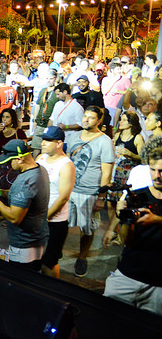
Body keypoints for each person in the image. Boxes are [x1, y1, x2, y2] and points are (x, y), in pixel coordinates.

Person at [103, 147, 162, 317]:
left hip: (158, 285)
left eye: (161, 171)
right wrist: (124, 219)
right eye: (153, 170)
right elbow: (126, 240)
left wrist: (156, 220)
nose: (157, 175)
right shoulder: (136, 197)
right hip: (127, 275)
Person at [0, 139, 50, 271]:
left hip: (24, 247)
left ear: (20, 159)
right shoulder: (40, 170)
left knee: (21, 280)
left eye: (10, 161)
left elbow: (14, 218)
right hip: (38, 238)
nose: (8, 166)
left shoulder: (25, 182)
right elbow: (25, 198)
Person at [66, 106, 115, 277]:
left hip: (89, 193)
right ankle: (56, 250)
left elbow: (107, 172)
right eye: (85, 116)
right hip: (69, 189)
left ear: (99, 121)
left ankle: (82, 257)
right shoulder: (73, 137)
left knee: (87, 228)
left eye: (91, 117)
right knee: (61, 224)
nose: (86, 119)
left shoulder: (104, 141)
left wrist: (101, 197)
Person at [36, 127, 75, 278]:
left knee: (50, 261)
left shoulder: (66, 165)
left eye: (48, 140)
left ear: (59, 143)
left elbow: (63, 197)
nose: (43, 143)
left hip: (54, 221)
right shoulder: (40, 158)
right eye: (43, 139)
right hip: (38, 217)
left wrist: (45, 217)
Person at [0, 108, 27, 190]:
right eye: (3, 117)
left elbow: (24, 149)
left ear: (12, 119)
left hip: (13, 167)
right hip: (0, 166)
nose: (4, 119)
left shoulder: (19, 133)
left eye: (7, 117)